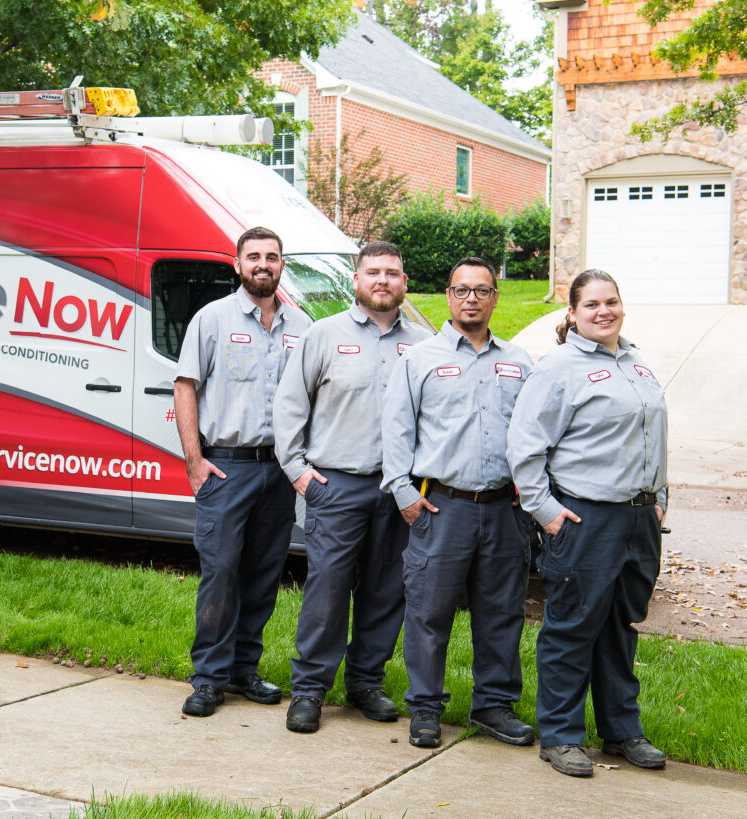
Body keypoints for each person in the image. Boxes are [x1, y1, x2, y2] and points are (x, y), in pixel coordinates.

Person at [507, 269, 668, 778]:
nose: (604, 311)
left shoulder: (637, 363)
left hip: (638, 520)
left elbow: (655, 436)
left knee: (620, 628)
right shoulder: (558, 369)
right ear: (571, 313)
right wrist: (547, 513)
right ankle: (560, 735)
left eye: (612, 302)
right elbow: (525, 448)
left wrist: (660, 497)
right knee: (572, 628)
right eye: (592, 304)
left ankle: (622, 731)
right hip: (585, 519)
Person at [273, 241, 432, 734]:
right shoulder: (324, 336)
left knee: (387, 593)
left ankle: (366, 683)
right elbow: (289, 406)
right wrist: (298, 472)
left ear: (405, 282)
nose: (383, 280)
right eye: (373, 272)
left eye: (392, 272)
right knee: (327, 591)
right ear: (356, 280)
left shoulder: (423, 345)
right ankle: (309, 691)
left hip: (398, 493)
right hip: (337, 486)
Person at [382, 256, 535, 749]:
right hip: (441, 509)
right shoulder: (419, 359)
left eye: (482, 290)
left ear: (495, 298)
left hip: (504, 510)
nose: (472, 298)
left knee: (503, 612)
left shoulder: (519, 361)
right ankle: (425, 706)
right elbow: (396, 430)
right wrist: (404, 493)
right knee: (429, 611)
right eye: (462, 290)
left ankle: (493, 706)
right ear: (448, 297)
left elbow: (534, 435)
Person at [174, 226, 311, 717]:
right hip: (226, 469)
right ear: (237, 264)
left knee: (262, 573)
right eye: (253, 257)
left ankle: (243, 669)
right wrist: (195, 460)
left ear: (281, 266)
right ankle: (209, 678)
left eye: (272, 257)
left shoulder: (302, 328)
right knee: (221, 572)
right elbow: (185, 386)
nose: (263, 265)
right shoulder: (211, 319)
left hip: (279, 470)